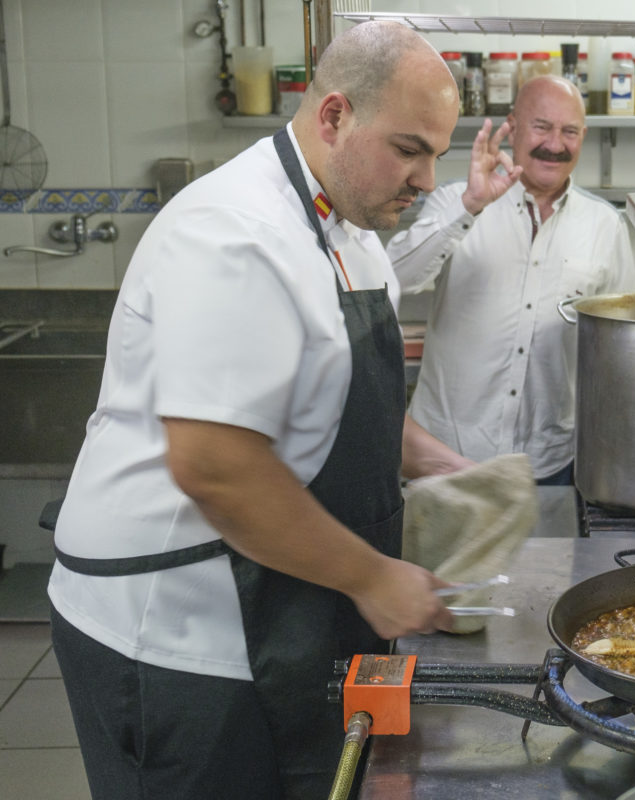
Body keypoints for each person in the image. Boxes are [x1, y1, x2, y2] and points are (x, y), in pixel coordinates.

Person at [47, 21, 474, 800]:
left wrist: (443, 463)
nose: (426, 178)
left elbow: (342, 394)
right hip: (173, 630)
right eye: (409, 149)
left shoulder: (352, 229)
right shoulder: (235, 236)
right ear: (336, 115)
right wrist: (373, 576)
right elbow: (220, 469)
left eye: (439, 154)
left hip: (277, 601)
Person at [386, 74, 635, 486]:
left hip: (549, 465)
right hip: (444, 458)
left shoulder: (605, 226)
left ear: (584, 136)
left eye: (569, 131)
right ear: (513, 126)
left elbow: (617, 351)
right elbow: (392, 280)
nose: (555, 144)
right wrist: (470, 207)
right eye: (541, 127)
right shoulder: (456, 201)